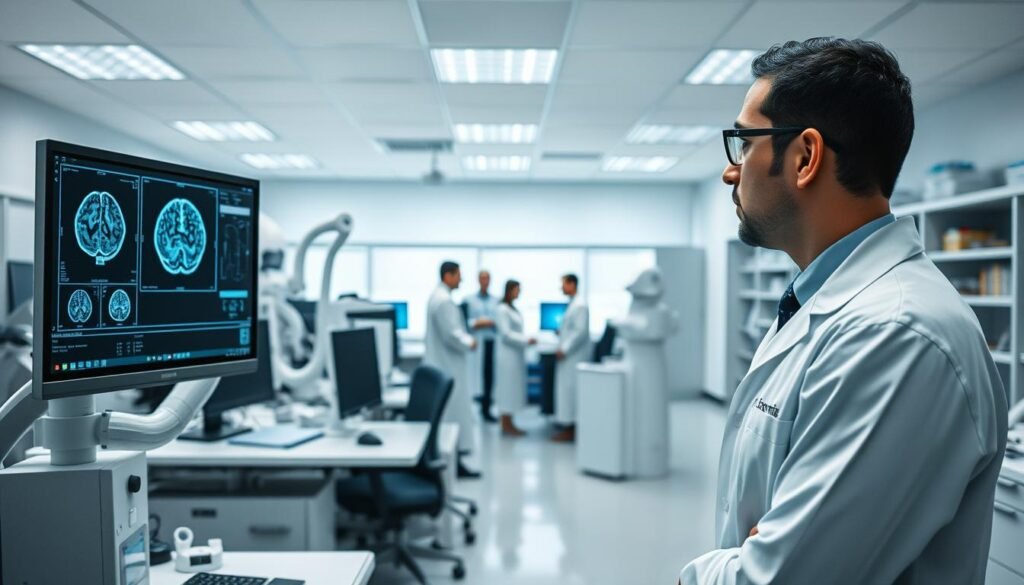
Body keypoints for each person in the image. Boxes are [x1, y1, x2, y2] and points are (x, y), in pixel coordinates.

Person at [680, 38, 1006, 584]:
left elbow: (779, 577)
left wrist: (712, 570)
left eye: (744, 143)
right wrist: (759, 545)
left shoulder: (895, 335)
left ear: (805, 157)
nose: (730, 173)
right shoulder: (825, 303)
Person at [423, 261, 481, 479]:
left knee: (450, 416)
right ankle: (452, 462)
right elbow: (452, 335)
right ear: (448, 275)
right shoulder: (444, 301)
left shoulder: (437, 297)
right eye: (458, 275)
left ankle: (453, 461)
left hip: (444, 364)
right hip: (448, 365)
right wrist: (470, 342)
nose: (461, 280)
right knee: (453, 416)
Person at [552, 273, 591, 443]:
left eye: (563, 284)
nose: (561, 288)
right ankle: (568, 426)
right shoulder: (573, 304)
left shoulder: (580, 305)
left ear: (572, 284)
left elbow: (580, 332)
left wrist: (565, 348)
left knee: (571, 393)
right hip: (569, 357)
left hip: (573, 357)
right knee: (566, 393)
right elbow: (572, 328)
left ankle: (571, 428)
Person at [494, 279, 536, 436]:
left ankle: (509, 422)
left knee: (512, 390)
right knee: (507, 390)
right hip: (507, 357)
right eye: (517, 290)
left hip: (515, 355)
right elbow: (506, 334)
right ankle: (506, 423)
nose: (519, 293)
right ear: (509, 290)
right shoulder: (502, 309)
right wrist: (526, 340)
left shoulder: (512, 309)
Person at [465, 270, 499, 423]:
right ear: (478, 280)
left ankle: (486, 409)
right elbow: (465, 321)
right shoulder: (469, 300)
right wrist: (477, 323)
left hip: (492, 342)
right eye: (482, 278)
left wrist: (489, 322)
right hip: (476, 343)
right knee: (475, 377)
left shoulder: (496, 301)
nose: (485, 281)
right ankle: (473, 409)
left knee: (488, 377)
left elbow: (499, 321)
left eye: (487, 278)